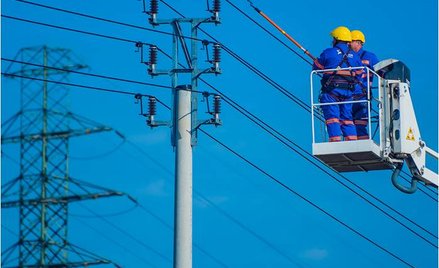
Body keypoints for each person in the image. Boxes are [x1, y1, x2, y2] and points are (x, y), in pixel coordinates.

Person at [313, 26, 363, 142]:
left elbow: (317, 67)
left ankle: (335, 141)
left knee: (332, 118)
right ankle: (352, 141)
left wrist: (317, 60)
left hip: (331, 92)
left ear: (336, 39)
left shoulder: (328, 52)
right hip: (348, 93)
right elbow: (359, 73)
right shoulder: (355, 55)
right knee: (347, 118)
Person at [350, 30, 379, 140]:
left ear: (358, 42)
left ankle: (363, 144)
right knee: (348, 127)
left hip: (362, 98)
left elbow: (381, 73)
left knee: (360, 126)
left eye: (351, 41)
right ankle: (352, 147)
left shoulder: (369, 57)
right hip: (347, 98)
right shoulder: (347, 57)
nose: (348, 44)